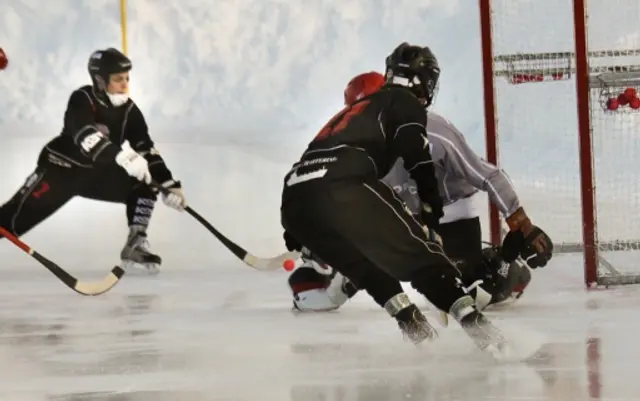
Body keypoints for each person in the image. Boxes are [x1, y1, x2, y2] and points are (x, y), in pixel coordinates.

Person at [281, 43, 551, 357]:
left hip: (448, 218)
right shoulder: (368, 134)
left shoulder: (430, 130)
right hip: (405, 217)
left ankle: (502, 265)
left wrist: (521, 222)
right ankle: (428, 315)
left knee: (474, 288)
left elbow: (485, 174)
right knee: (376, 264)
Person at [0, 48, 187, 274]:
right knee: (12, 221)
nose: (125, 84)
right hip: (61, 172)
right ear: (100, 80)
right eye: (118, 79)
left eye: (127, 79)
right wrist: (121, 155)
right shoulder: (82, 99)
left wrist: (167, 184)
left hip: (97, 175)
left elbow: (146, 148)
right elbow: (85, 136)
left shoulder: (129, 111)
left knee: (146, 183)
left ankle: (136, 243)